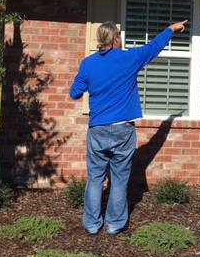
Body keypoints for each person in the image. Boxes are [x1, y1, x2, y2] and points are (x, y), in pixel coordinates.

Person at [69, 19, 188, 235]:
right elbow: (154, 47)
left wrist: (92, 84)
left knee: (95, 178)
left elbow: (74, 93)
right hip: (123, 130)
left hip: (97, 129)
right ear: (115, 38)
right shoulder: (129, 58)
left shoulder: (88, 63)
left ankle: (92, 224)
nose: (121, 39)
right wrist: (170, 29)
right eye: (120, 36)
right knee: (120, 178)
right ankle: (114, 225)